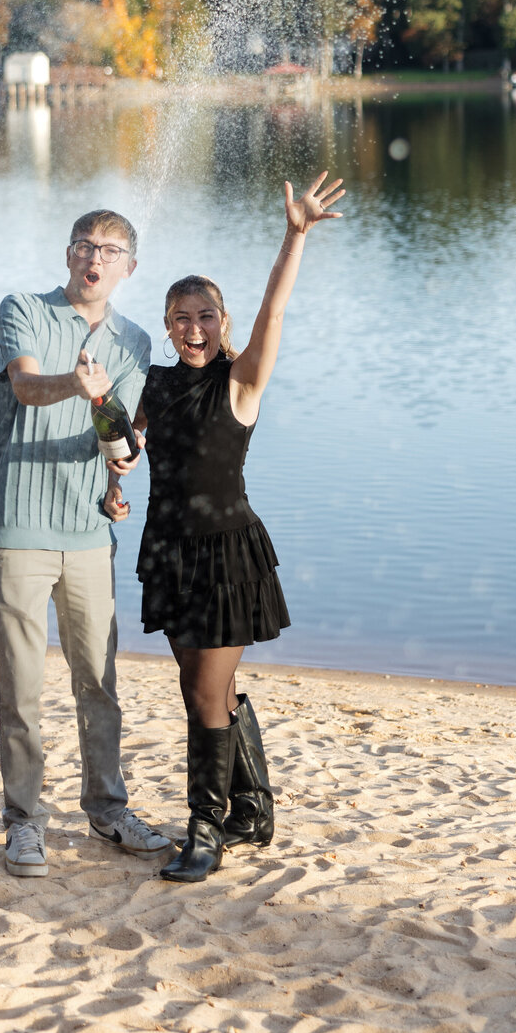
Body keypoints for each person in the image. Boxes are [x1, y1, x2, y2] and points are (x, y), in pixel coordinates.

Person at [113, 172, 345, 884]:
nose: (192, 327)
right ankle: (254, 810)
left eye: (205, 316)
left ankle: (205, 830)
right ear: (167, 322)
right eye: (180, 317)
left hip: (226, 555)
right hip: (170, 553)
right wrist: (109, 465)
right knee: (202, 688)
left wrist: (294, 235)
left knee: (205, 695)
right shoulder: (152, 383)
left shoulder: (239, 380)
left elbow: (276, 307)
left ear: (222, 322)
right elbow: (124, 445)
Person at [0, 207, 174, 877]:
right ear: (68, 254)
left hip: (90, 532)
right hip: (18, 528)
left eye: (112, 249)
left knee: (99, 681)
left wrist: (126, 459)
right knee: (23, 685)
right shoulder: (25, 310)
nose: (97, 257)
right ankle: (25, 823)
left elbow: (117, 427)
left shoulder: (135, 341)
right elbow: (29, 387)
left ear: (129, 268)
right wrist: (76, 382)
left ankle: (107, 809)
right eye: (87, 245)